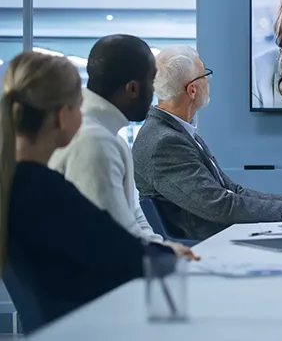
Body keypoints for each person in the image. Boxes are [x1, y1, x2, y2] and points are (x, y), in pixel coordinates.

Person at [0, 51, 178, 332]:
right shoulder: (48, 192)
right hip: (96, 327)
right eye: (79, 106)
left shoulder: (16, 184)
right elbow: (130, 259)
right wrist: (170, 255)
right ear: (62, 116)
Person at [134, 46, 282, 240]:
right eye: (205, 76)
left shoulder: (178, 133)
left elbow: (233, 191)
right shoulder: (165, 143)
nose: (208, 81)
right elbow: (221, 207)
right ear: (192, 90)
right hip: (206, 246)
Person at [48, 35, 193, 259]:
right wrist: (166, 256)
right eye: (151, 81)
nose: (154, 92)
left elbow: (133, 219)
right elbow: (113, 238)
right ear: (132, 89)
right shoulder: (94, 141)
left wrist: (166, 251)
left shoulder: (110, 137)